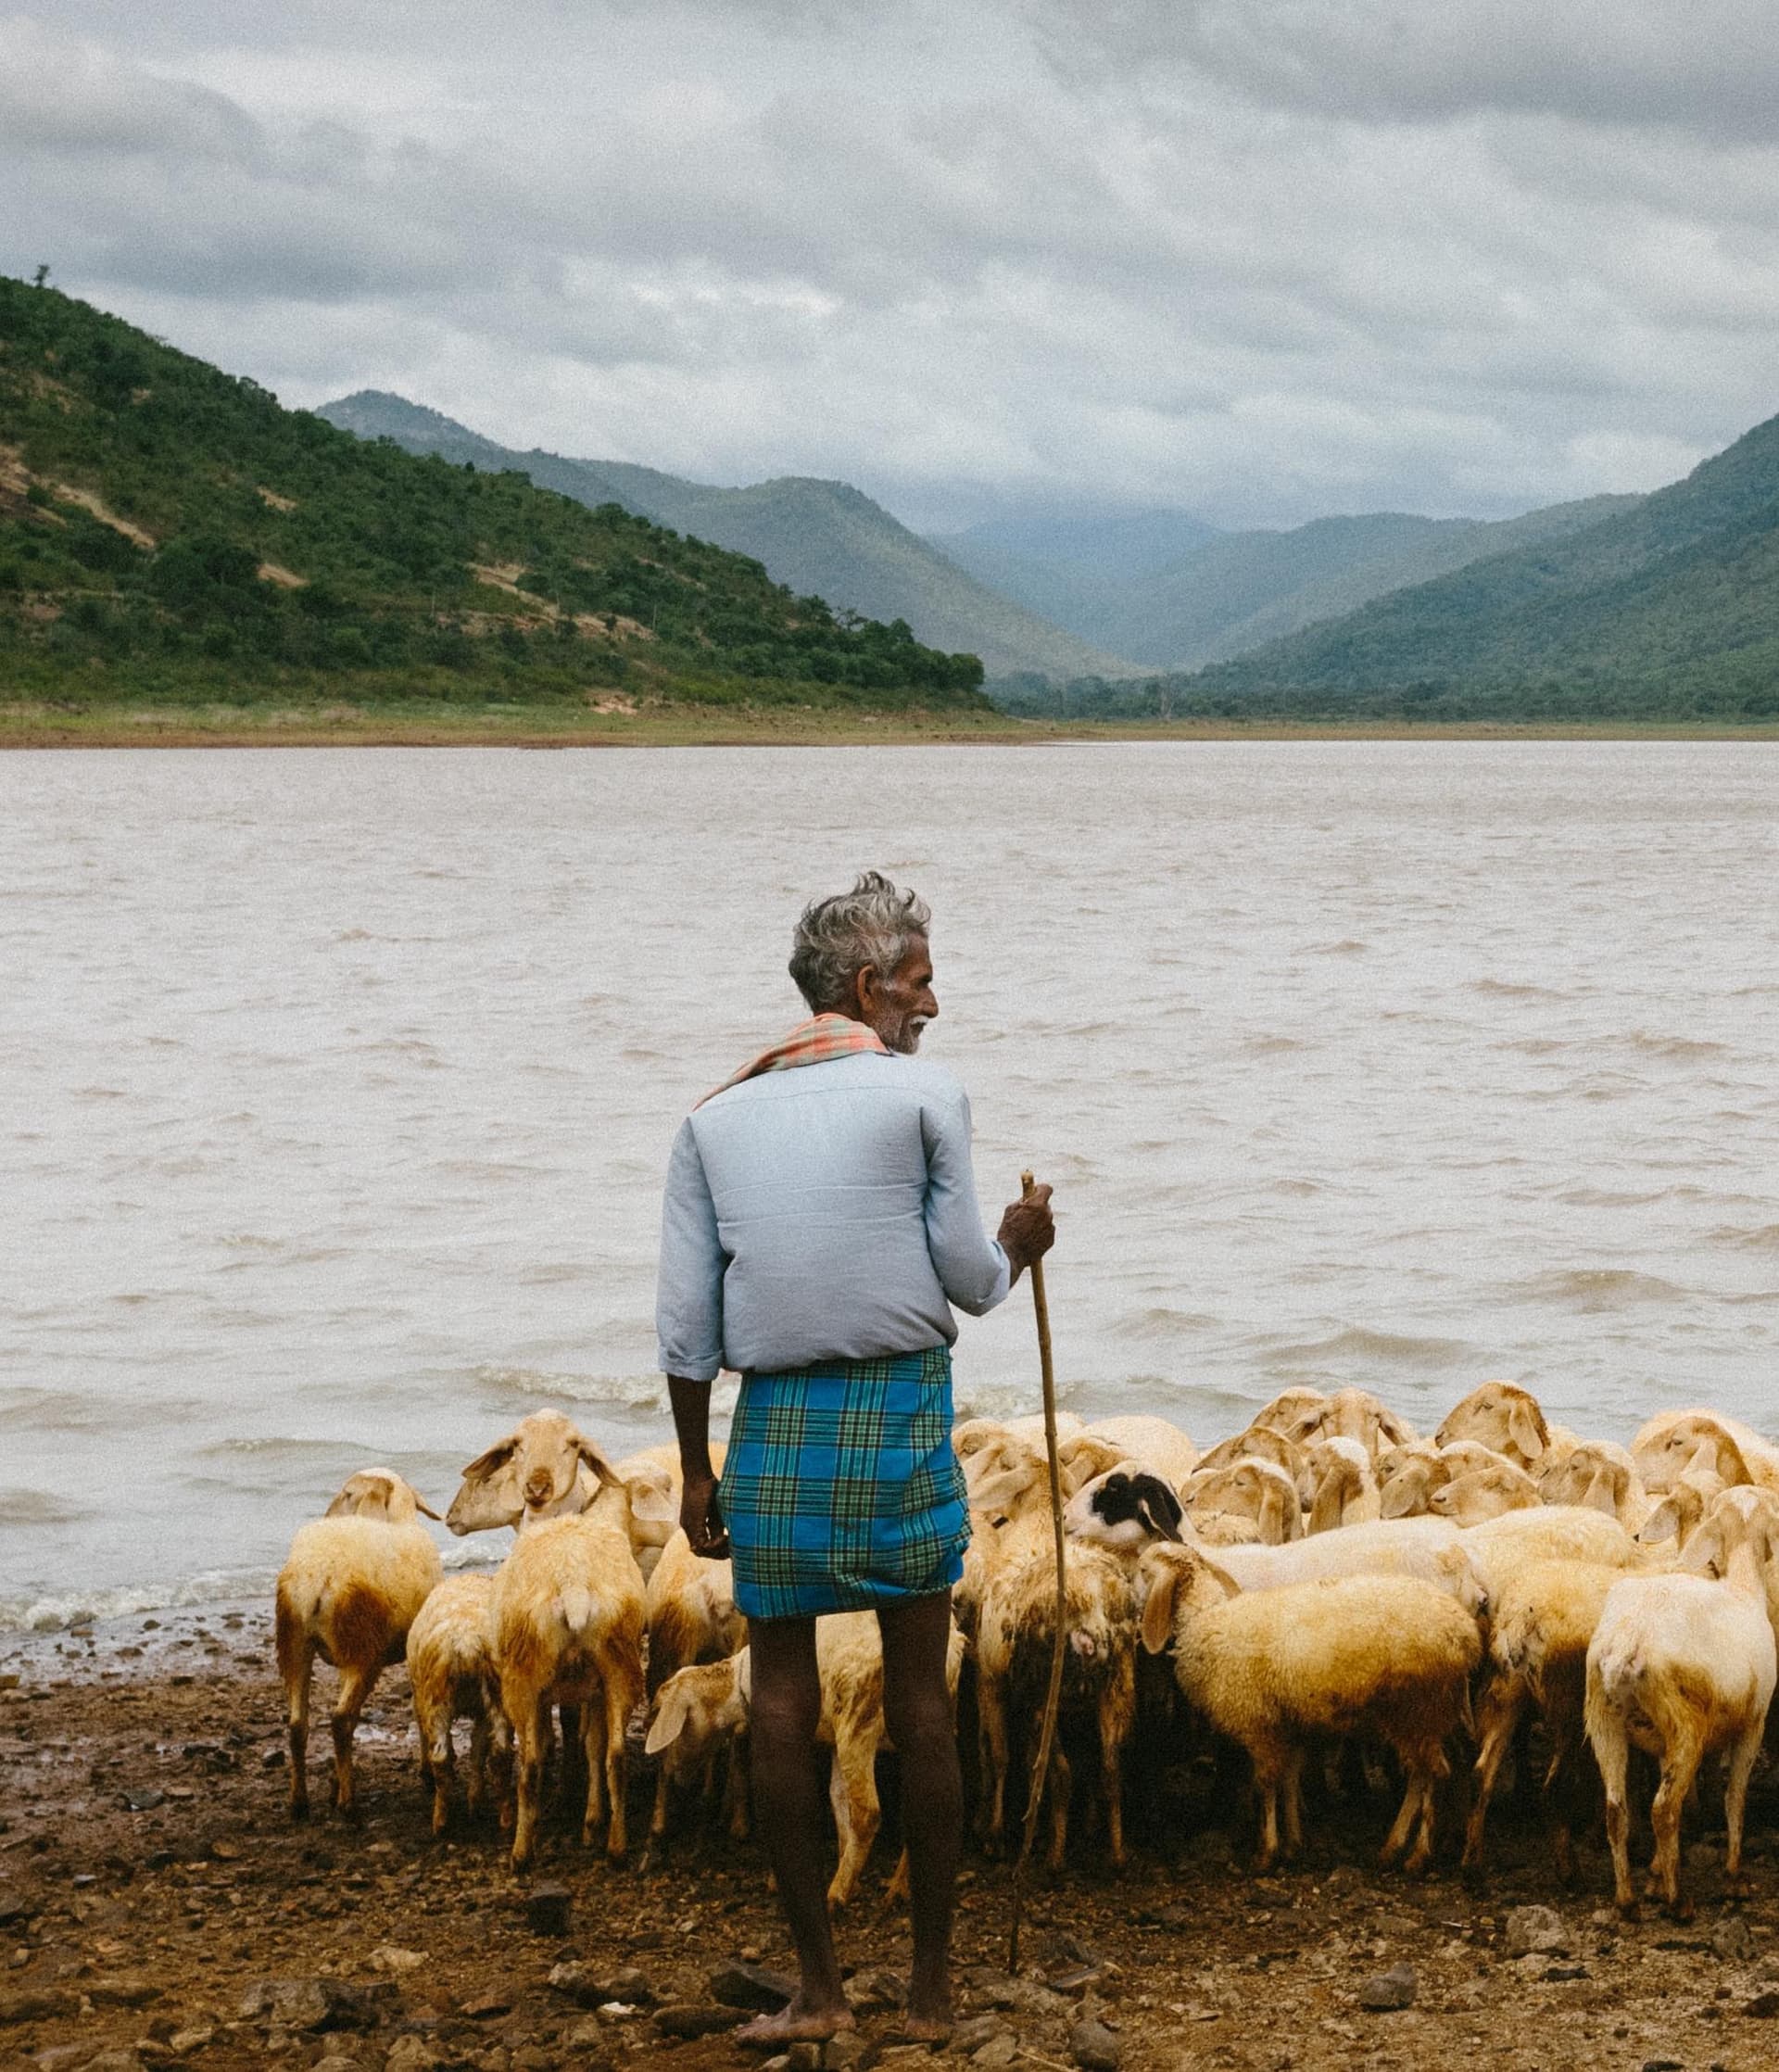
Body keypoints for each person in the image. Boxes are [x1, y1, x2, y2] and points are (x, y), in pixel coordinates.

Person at [657, 871, 1054, 2047]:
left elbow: (687, 1326)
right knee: (920, 1703)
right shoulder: (925, 1094)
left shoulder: (712, 1120)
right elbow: (975, 1285)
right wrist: (1021, 1242)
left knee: (778, 1702)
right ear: (869, 986)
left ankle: (821, 1992)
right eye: (922, 979)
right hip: (896, 1421)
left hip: (770, 1427)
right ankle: (930, 1996)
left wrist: (692, 1474)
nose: (933, 1002)